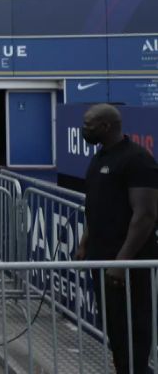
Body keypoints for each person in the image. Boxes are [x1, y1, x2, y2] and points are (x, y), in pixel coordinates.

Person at [75, 104, 158, 374]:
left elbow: (145, 215)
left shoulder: (138, 159)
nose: (84, 130)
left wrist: (121, 262)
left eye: (89, 126)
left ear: (106, 126)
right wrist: (85, 241)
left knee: (135, 326)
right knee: (115, 328)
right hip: (101, 257)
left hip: (128, 263)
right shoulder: (100, 158)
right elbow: (95, 204)